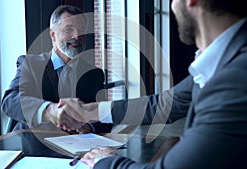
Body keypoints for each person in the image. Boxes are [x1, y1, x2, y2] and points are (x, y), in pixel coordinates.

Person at [59, 0, 247, 168]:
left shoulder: (236, 78)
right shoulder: (222, 63)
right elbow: (163, 104)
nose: (172, 6)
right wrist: (88, 111)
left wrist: (105, 162)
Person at [1, 5, 112, 134]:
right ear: (53, 35)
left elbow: (104, 118)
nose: (77, 36)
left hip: (78, 146)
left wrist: (90, 127)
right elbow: (10, 101)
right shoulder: (30, 65)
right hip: (35, 145)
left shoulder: (94, 74)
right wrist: (49, 110)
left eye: (81, 30)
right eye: (69, 29)